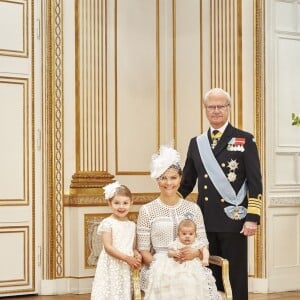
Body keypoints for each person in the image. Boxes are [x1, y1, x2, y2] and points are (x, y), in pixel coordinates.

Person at [178, 88, 263, 300]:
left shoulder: (244, 139)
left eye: (220, 106)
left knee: (234, 274)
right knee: (209, 275)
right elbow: (187, 181)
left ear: (228, 109)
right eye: (211, 107)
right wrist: (168, 203)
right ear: (205, 110)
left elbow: (255, 181)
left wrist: (252, 218)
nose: (216, 111)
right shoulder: (196, 143)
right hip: (204, 219)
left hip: (233, 219)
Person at [137, 144, 221, 300]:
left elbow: (203, 242)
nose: (169, 183)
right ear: (157, 179)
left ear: (181, 178)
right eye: (163, 178)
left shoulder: (193, 208)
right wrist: (161, 268)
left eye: (173, 177)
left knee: (188, 282)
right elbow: (143, 250)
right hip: (159, 268)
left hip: (191, 266)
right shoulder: (147, 210)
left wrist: (195, 253)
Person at [144, 218, 220, 300]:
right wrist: (174, 253)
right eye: (184, 234)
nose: (187, 236)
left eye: (191, 234)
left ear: (195, 235)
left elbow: (205, 250)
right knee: (174, 280)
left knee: (191, 281)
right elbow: (169, 253)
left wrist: (205, 259)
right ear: (178, 234)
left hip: (192, 267)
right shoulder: (176, 243)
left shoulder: (197, 243)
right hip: (176, 266)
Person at [91, 181, 142, 300]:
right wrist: (127, 258)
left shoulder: (132, 225)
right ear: (109, 203)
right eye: (117, 203)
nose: (121, 206)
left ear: (131, 203)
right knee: (110, 291)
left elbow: (133, 247)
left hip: (125, 265)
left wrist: (137, 255)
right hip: (112, 263)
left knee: (122, 292)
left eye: (125, 203)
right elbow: (108, 247)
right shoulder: (108, 223)